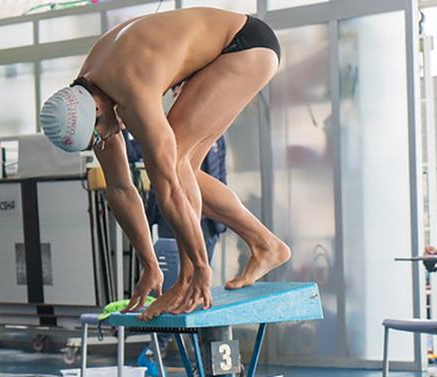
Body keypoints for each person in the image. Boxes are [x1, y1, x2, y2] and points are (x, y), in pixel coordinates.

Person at [39, 8, 290, 320]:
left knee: (177, 161)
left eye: (98, 136)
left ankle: (189, 280)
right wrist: (149, 264)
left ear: (97, 111)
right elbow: (119, 188)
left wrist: (197, 271)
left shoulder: (133, 92)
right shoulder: (89, 94)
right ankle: (266, 245)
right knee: (186, 171)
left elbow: (169, 189)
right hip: (213, 52)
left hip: (244, 45)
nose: (104, 143)